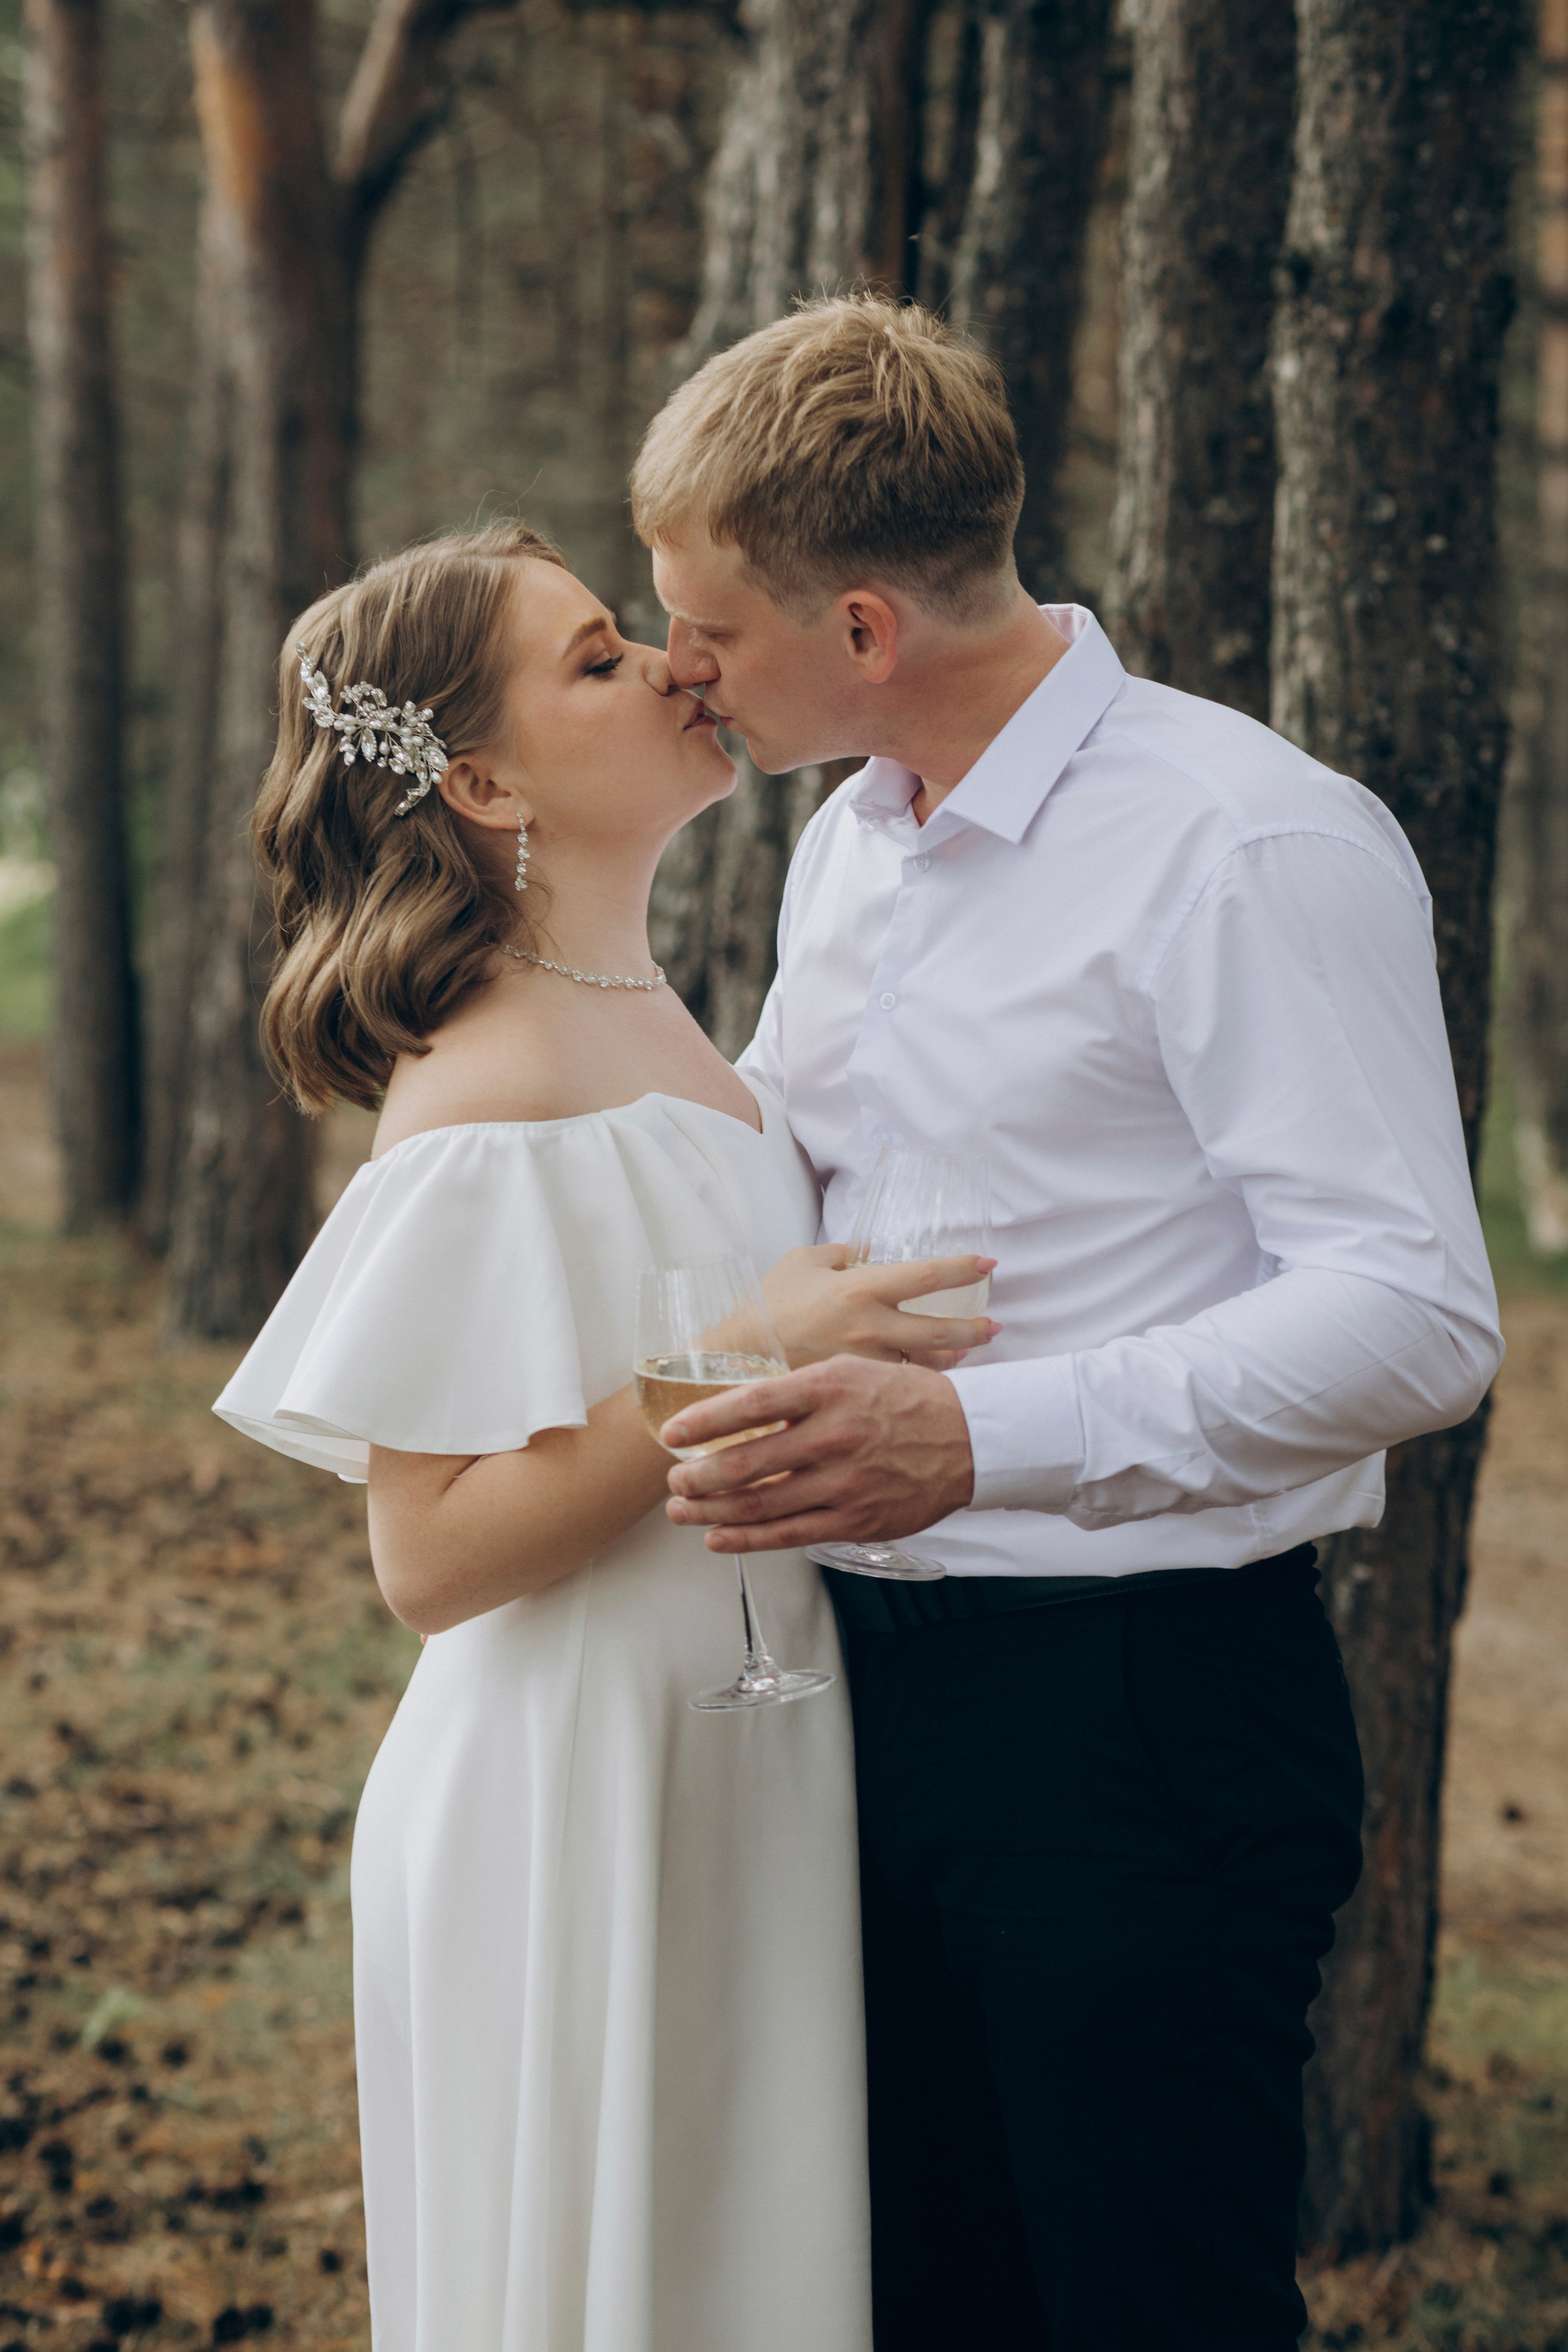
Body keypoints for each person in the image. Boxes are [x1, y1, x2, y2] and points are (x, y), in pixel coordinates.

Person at [628, 297, 1505, 2351]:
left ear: (863, 628)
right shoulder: (853, 846)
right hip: (852, 1703)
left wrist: (977, 1440)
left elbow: (1416, 1316)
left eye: (706, 626)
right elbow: (767, 1171)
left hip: (1137, 1727)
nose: (678, 667)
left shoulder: (1244, 841)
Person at [209, 521, 993, 2352]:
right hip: (576, 1783)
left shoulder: (658, 1024)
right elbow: (430, 1557)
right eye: (593, 659)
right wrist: (743, 1353)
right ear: (484, 784)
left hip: (731, 1744)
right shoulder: (485, 1083)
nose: (667, 663)